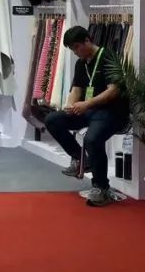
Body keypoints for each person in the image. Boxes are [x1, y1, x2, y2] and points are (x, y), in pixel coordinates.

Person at [43, 26, 130, 208]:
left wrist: (87, 104)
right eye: (72, 49)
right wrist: (70, 106)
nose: (75, 52)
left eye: (77, 47)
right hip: (89, 111)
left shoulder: (108, 57)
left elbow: (114, 91)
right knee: (53, 120)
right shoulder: (81, 63)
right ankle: (81, 159)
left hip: (112, 112)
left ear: (87, 41)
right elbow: (76, 89)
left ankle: (101, 187)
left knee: (92, 139)